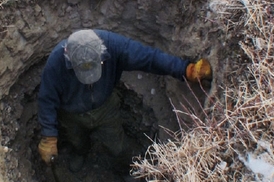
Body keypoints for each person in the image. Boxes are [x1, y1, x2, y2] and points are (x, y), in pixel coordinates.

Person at [37, 29, 212, 173]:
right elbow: (46, 99)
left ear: (101, 54)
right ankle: (80, 154)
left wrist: (185, 69)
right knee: (77, 141)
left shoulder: (113, 46)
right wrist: (49, 136)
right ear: (69, 58)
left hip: (105, 108)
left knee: (117, 145)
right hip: (71, 114)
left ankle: (126, 170)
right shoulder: (56, 62)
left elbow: (149, 58)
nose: (90, 79)